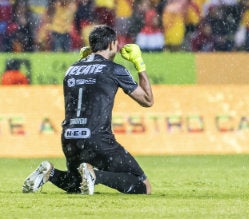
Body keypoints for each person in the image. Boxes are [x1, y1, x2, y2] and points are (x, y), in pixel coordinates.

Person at [22, 25, 154, 195]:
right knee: (143, 185)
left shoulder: (71, 70)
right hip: (98, 139)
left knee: (77, 184)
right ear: (113, 44)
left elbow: (88, 85)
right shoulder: (115, 69)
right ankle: (95, 175)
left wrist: (86, 61)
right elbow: (147, 100)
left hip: (70, 140)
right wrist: (139, 64)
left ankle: (51, 173)